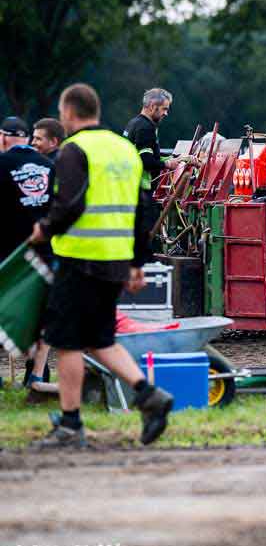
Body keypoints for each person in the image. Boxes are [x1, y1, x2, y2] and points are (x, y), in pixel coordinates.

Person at [28, 83, 173, 448]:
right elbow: (142, 208)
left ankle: (70, 425)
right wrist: (138, 262)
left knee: (67, 342)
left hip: (80, 260)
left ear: (69, 114)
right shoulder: (123, 149)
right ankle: (149, 396)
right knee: (100, 338)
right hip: (114, 263)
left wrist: (43, 230)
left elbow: (69, 205)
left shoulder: (74, 150)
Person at [0, 117, 58, 387]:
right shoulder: (50, 166)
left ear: (3, 139)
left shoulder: (2, 164)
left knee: (4, 309)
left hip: (9, 254)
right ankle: (37, 374)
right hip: (43, 253)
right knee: (39, 314)